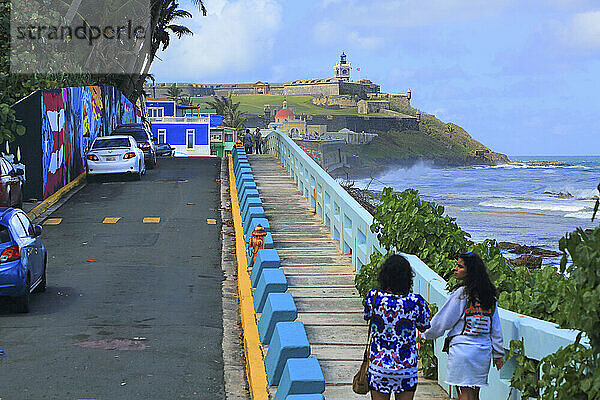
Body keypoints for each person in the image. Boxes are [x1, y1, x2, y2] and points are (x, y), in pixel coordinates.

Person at [422, 252, 505, 400]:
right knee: (474, 393)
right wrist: (498, 353)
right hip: (482, 352)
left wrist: (426, 334)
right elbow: (495, 328)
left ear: (470, 271)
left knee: (463, 393)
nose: (455, 269)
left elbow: (443, 320)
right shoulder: (489, 296)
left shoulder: (461, 294)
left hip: (462, 350)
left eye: (460, 266)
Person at [364, 254, 431, 400]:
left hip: (379, 366)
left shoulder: (373, 297)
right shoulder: (416, 301)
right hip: (406, 368)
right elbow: (424, 326)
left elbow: (367, 316)